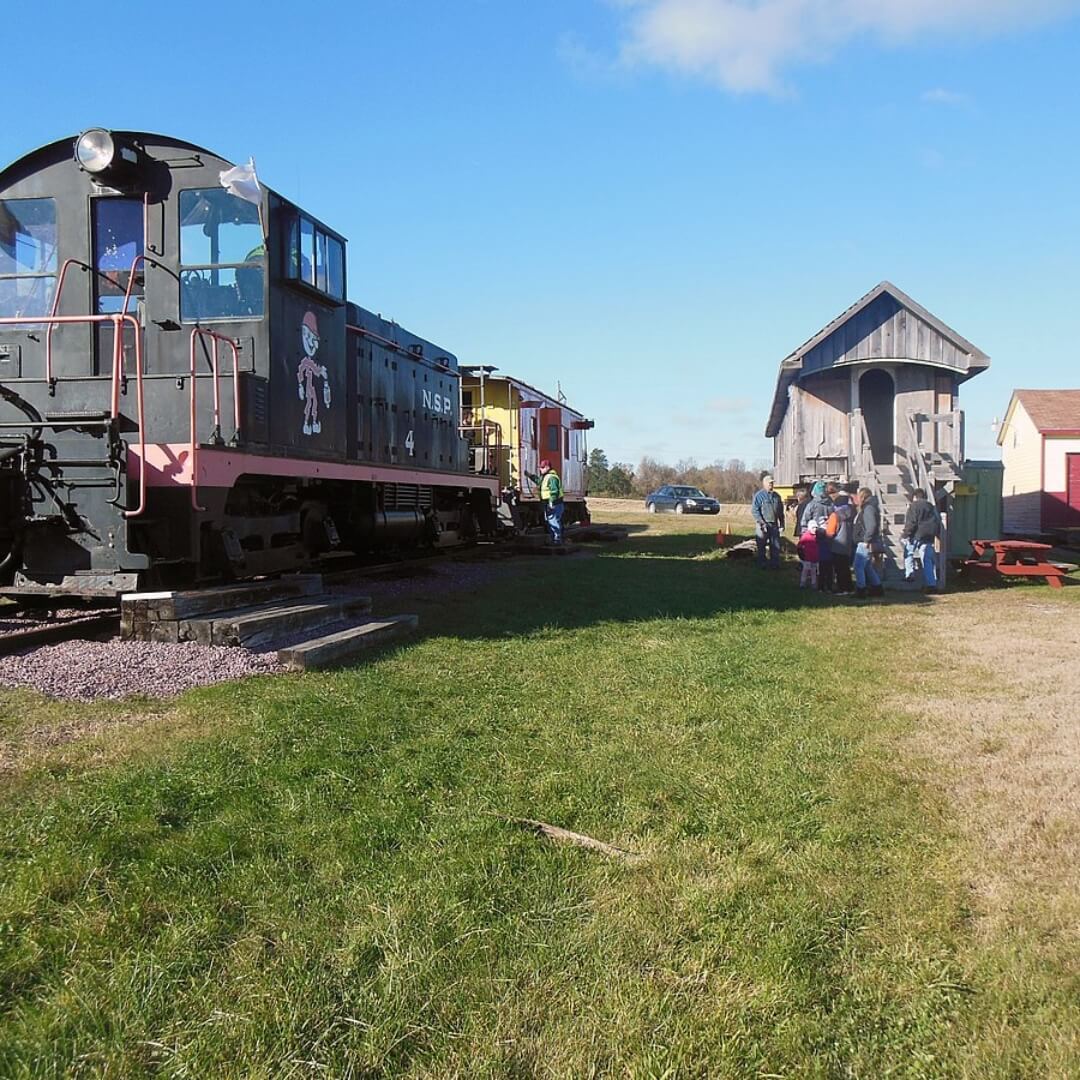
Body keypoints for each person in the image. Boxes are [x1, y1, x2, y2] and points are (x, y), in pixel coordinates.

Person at [902, 487, 941, 592]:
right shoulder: (931, 507)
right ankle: (931, 584)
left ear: (914, 497)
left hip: (916, 534)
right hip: (929, 536)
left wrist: (906, 534)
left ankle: (909, 574)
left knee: (908, 552)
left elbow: (912, 522)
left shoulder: (913, 506)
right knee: (927, 560)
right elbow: (937, 520)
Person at [852, 487, 885, 600]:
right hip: (866, 540)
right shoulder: (871, 506)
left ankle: (861, 589)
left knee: (858, 566)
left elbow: (871, 526)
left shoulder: (868, 508)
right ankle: (877, 587)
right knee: (867, 567)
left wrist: (866, 539)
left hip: (864, 542)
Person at [802, 481, 833, 591]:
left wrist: (805, 535)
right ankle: (828, 584)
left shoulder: (812, 504)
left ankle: (816, 583)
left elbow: (805, 521)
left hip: (814, 537)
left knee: (814, 562)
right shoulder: (830, 504)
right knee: (826, 562)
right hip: (828, 535)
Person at [526, 459, 565, 545]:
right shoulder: (546, 477)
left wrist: (551, 502)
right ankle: (554, 539)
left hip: (554, 503)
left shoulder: (552, 477)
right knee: (551, 521)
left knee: (553, 521)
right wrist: (530, 476)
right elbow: (538, 481)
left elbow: (554, 491)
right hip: (550, 503)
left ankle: (557, 540)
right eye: (540, 467)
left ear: (548, 467)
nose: (540, 469)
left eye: (542, 467)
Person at [750, 474, 785, 569]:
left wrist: (782, 524)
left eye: (772, 483)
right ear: (764, 484)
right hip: (762, 525)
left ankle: (775, 564)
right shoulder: (759, 496)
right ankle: (762, 564)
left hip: (774, 525)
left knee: (775, 545)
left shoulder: (777, 496)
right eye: (770, 483)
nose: (771, 485)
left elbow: (781, 511)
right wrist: (762, 522)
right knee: (761, 545)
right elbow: (754, 510)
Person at [825, 493, 854, 594]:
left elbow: (830, 532)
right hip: (848, 544)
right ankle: (849, 587)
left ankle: (842, 588)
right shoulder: (851, 513)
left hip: (837, 545)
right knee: (846, 568)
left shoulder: (835, 515)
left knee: (839, 569)